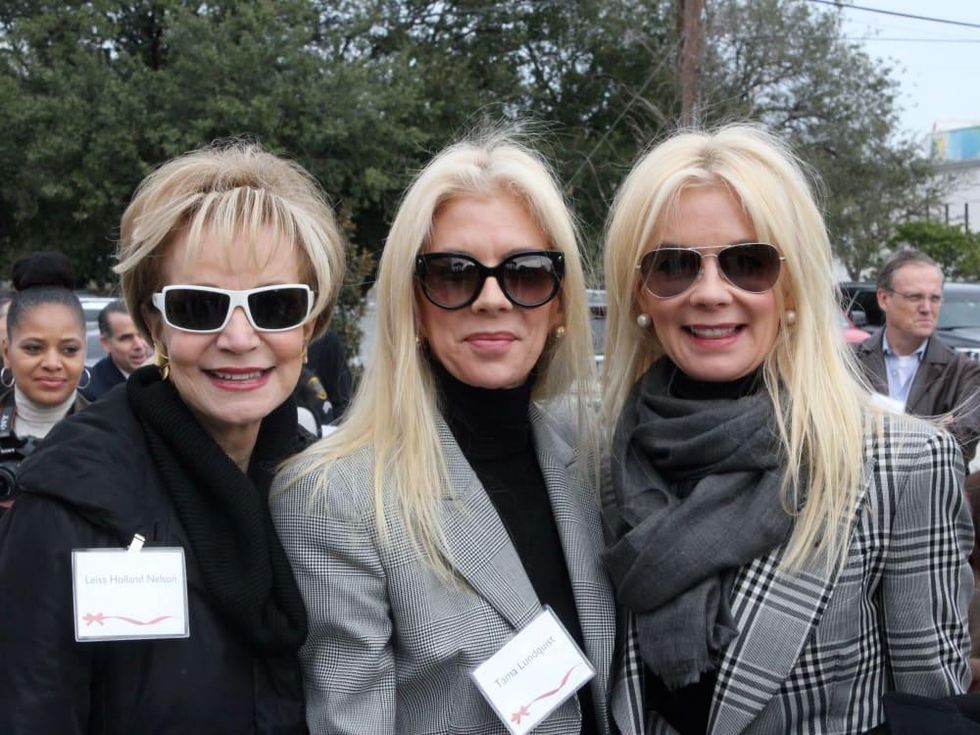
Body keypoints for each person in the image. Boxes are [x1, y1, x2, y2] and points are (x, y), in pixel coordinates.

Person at [600, 125, 972, 734]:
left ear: (793, 283)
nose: (711, 293)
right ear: (641, 291)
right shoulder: (599, 461)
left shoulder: (903, 463)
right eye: (674, 266)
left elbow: (929, 710)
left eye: (749, 263)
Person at [272, 133, 642, 735]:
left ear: (559, 305)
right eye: (452, 274)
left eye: (524, 273)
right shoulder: (333, 496)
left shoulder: (596, 453)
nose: (492, 300)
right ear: (412, 304)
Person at [0, 141, 346, 733]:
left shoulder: (331, 494)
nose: (240, 338)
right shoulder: (66, 506)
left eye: (275, 305)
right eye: (199, 306)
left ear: (310, 324)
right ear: (155, 322)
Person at [854, 248, 980, 463]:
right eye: (915, 297)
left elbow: (960, 446)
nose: (926, 308)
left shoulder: (964, 372)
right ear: (884, 298)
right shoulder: (850, 362)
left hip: (931, 494)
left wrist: (874, 429)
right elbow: (835, 435)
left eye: (935, 298)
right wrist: (934, 429)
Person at [0, 253, 89, 511]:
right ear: (7, 353)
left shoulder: (117, 433)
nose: (52, 363)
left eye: (69, 350)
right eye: (33, 348)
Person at [80, 299, 151, 400]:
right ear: (106, 343)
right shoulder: (90, 394)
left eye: (142, 334)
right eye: (126, 338)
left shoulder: (166, 377)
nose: (139, 345)